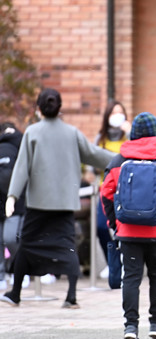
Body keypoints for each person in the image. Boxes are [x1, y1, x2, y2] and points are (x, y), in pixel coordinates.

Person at [0, 88, 115, 308]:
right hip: (64, 203)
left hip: (38, 203)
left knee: (27, 245)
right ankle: (71, 296)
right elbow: (93, 154)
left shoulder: (32, 133)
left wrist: (12, 196)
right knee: (67, 245)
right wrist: (122, 158)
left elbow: (22, 167)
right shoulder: (71, 133)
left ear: (38, 108)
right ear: (59, 108)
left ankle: (15, 293)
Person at [101, 112, 156, 339]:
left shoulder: (120, 159)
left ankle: (130, 326)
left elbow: (106, 192)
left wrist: (114, 222)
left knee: (131, 277)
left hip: (128, 230)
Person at [95, 100, 131, 274]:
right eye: (113, 113)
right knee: (101, 226)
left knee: (123, 228)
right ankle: (113, 261)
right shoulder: (100, 138)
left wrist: (130, 133)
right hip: (106, 190)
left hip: (127, 190)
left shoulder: (129, 136)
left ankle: (124, 263)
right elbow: (93, 164)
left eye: (120, 112)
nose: (117, 116)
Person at [0, 123, 26, 291]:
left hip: (16, 201)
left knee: (10, 238)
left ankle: (21, 269)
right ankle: (2, 274)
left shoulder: (22, 145)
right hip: (7, 201)